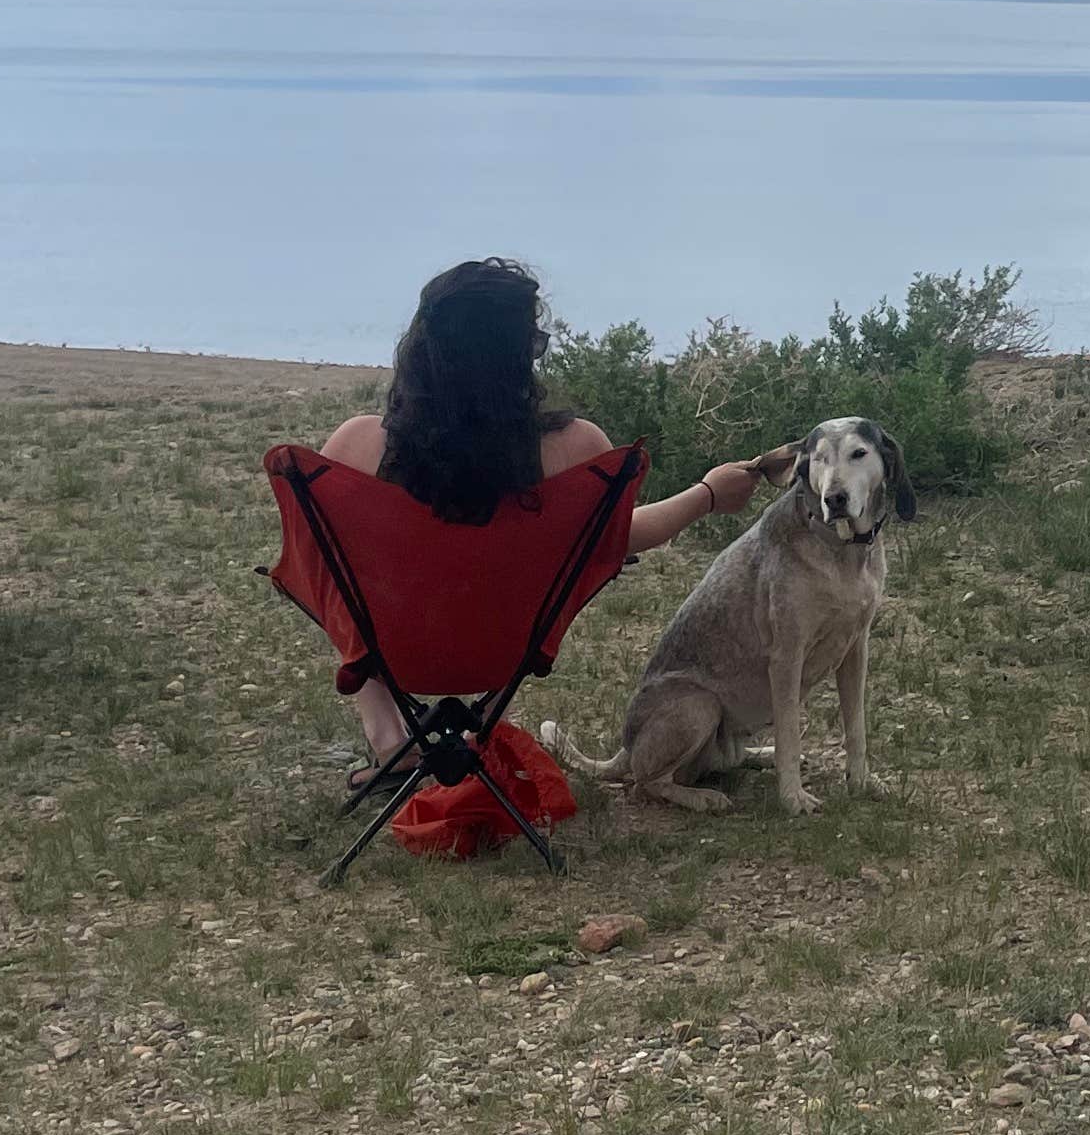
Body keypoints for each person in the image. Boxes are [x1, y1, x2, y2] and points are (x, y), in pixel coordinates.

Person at [312, 258, 760, 843]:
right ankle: (404, 739)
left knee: (339, 575)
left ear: (420, 350)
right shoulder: (576, 451)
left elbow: (318, 558)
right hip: (505, 652)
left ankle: (388, 739)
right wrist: (706, 495)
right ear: (519, 353)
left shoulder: (354, 445)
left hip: (391, 654)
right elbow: (621, 534)